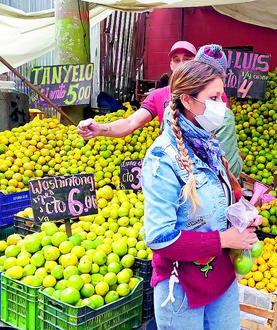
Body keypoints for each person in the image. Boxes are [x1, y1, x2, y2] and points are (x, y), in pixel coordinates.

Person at [141, 60, 260, 329]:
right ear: (187, 100)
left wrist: (244, 215)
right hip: (181, 287)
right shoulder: (162, 159)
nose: (222, 106)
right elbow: (159, 238)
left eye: (222, 97)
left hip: (221, 279)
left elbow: (222, 200)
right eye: (214, 98)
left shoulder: (210, 145)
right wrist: (225, 238)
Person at [78, 42, 243, 177]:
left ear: (197, 65)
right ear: (171, 64)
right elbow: (130, 122)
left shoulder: (214, 96)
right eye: (176, 60)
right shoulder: (158, 96)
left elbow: (223, 145)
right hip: (175, 167)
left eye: (187, 59)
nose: (181, 64)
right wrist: (100, 128)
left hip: (207, 174)